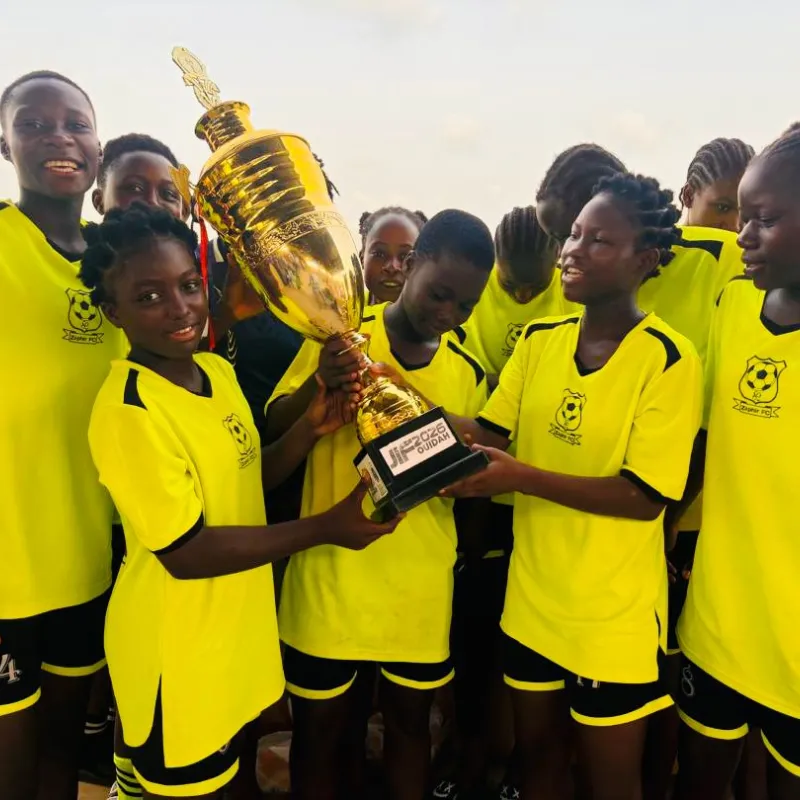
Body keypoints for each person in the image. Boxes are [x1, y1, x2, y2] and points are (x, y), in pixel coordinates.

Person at [78, 202, 399, 799]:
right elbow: (187, 551)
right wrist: (327, 526)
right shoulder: (128, 410)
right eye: (150, 297)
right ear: (113, 311)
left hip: (232, 634)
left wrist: (309, 427)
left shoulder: (212, 373)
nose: (180, 309)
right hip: (176, 649)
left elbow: (249, 482)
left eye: (189, 286)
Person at [445, 173, 703, 800]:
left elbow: (645, 499)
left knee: (610, 781)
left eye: (599, 241)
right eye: (574, 234)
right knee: (538, 765)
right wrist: (390, 393)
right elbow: (488, 430)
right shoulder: (539, 341)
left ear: (645, 260)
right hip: (532, 605)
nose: (573, 249)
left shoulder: (669, 358)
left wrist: (521, 479)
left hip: (610, 620)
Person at [266, 209, 495, 800]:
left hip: (415, 590)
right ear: (412, 265)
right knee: (320, 735)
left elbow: (473, 480)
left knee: (409, 730)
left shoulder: (469, 372)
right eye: (440, 294)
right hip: (329, 582)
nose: (448, 314)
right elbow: (275, 426)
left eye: (465, 307)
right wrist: (320, 388)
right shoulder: (338, 337)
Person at [0, 70, 125, 800]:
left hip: (89, 562)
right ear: (6, 141)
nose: (58, 137)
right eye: (35, 123)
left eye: (74, 123)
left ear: (97, 145)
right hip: (10, 569)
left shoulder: (120, 263)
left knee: (64, 753)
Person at [673, 130, 800, 800]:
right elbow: (699, 439)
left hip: (793, 651)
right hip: (716, 624)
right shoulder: (734, 304)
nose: (743, 235)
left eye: (765, 220)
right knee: (701, 781)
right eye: (740, 215)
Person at [436, 206, 566, 800]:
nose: (519, 293)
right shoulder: (476, 296)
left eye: (531, 286)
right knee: (472, 640)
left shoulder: (567, 298)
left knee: (520, 656)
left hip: (540, 510)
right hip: (478, 500)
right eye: (508, 285)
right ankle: (465, 753)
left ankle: (513, 764)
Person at [679, 137, 755, 231]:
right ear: (689, 196)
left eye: (746, 215)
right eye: (722, 207)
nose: (734, 227)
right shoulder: (658, 243)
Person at [358, 206, 428, 305]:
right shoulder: (341, 313)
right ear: (361, 258)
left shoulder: (441, 318)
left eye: (405, 256)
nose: (392, 267)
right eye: (379, 254)